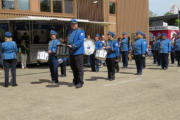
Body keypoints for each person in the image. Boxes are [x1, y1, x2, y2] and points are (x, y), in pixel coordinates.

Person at [67, 19, 85, 88]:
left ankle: (80, 82)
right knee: (73, 68)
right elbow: (70, 41)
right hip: (72, 53)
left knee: (79, 68)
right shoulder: (71, 32)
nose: (72, 25)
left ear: (77, 24)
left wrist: (73, 46)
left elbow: (80, 41)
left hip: (78, 52)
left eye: (74, 24)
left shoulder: (80, 31)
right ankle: (76, 80)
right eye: (71, 24)